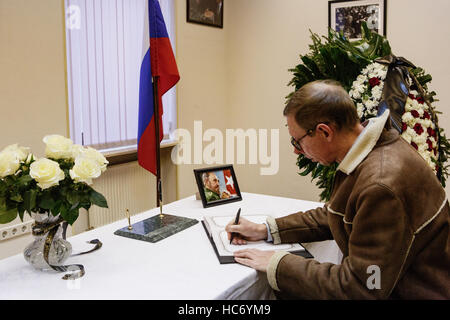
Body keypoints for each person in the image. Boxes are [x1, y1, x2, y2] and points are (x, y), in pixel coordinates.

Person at [225, 80, 450, 299]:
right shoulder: (373, 151)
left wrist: (278, 263)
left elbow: (362, 287)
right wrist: (265, 229)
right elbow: (335, 213)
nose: (296, 152)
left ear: (325, 132)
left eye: (297, 141)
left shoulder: (381, 185)